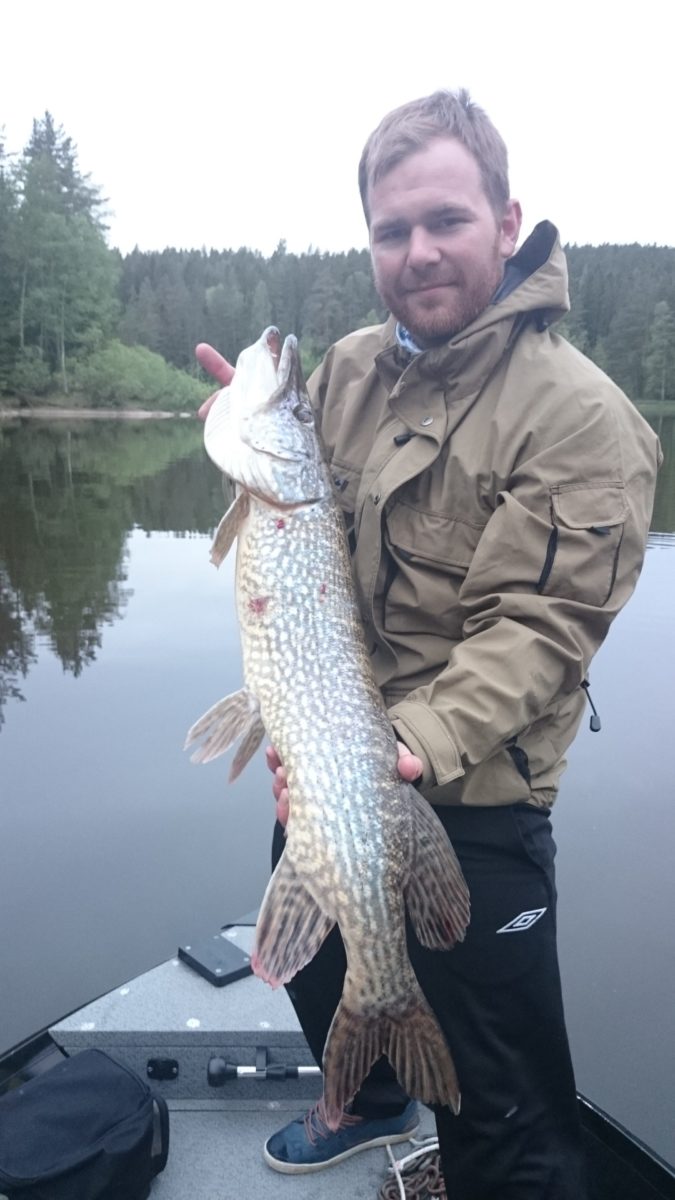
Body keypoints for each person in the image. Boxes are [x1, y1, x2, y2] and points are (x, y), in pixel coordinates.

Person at [197, 89, 661, 1199]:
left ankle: (473, 1145)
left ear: (508, 224)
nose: (418, 252)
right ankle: (371, 1099)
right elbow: (298, 553)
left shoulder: (584, 420)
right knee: (311, 966)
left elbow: (539, 630)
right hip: (331, 761)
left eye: (446, 220)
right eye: (391, 230)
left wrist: (399, 750)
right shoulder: (345, 372)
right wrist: (254, 443)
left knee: (511, 1128)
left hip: (475, 791)